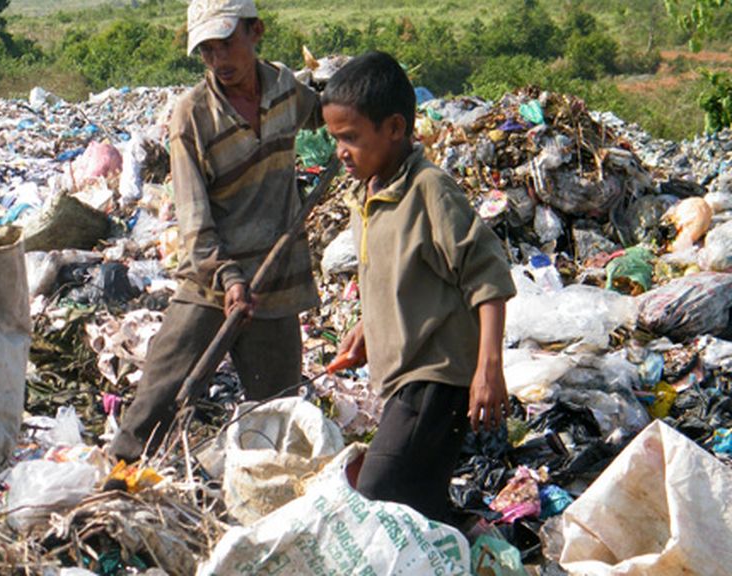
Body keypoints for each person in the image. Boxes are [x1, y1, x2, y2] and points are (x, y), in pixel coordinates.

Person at [108, 0, 323, 462]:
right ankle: (120, 478)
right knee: (157, 397)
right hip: (212, 281)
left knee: (277, 416)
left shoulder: (286, 90)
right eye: (206, 50)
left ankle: (262, 499)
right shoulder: (192, 115)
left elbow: (328, 116)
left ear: (255, 31)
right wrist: (227, 277)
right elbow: (192, 214)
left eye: (226, 43)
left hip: (276, 279)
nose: (218, 60)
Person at [321, 51, 516, 523]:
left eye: (350, 137)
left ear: (393, 128)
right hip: (403, 380)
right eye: (334, 139)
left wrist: (488, 370)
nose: (340, 152)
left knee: (376, 492)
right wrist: (368, 327)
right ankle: (473, 547)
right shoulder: (367, 193)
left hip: (437, 377)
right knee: (420, 506)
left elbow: (487, 277)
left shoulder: (429, 189)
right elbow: (397, 273)